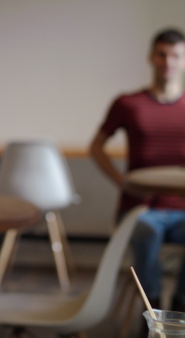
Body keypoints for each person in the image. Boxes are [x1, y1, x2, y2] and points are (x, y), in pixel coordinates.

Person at [89, 28, 185, 316]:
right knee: (147, 230)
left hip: (181, 210)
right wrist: (120, 181)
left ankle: (180, 311)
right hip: (141, 208)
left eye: (175, 55)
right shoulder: (129, 103)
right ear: (151, 57)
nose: (168, 61)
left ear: (183, 61)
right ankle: (152, 312)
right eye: (162, 54)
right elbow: (96, 147)